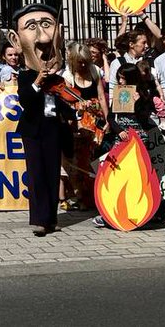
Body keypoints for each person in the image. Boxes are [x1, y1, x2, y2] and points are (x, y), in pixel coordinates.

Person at [12, 4, 67, 236]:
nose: (42, 34)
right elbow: (25, 98)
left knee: (53, 173)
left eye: (46, 25)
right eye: (32, 26)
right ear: (16, 40)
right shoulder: (25, 76)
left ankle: (52, 217)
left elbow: (64, 102)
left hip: (52, 128)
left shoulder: (58, 78)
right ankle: (40, 219)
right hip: (33, 130)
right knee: (36, 174)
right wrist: (37, 81)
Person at [61, 42, 107, 209]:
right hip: (79, 120)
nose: (82, 65)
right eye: (79, 61)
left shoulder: (94, 70)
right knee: (78, 160)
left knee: (92, 158)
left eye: (84, 61)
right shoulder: (68, 75)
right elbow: (66, 101)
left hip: (96, 120)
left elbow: (101, 97)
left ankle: (94, 195)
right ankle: (80, 196)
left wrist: (108, 118)